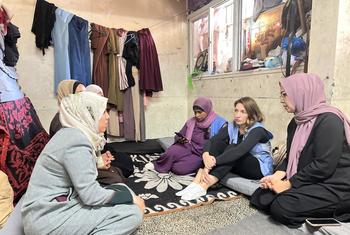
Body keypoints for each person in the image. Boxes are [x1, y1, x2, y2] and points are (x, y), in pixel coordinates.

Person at [22, 92, 144, 235]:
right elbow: (91, 196)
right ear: (89, 115)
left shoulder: (72, 134)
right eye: (103, 111)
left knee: (121, 187)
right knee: (131, 214)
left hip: (54, 205)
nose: (107, 116)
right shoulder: (77, 141)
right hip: (48, 217)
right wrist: (131, 199)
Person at [250, 73, 350, 228]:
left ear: (301, 92)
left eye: (285, 94)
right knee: (261, 197)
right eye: (281, 95)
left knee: (282, 207)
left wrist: (289, 184)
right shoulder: (296, 122)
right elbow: (290, 157)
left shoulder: (329, 120)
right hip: (311, 179)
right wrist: (276, 176)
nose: (282, 100)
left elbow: (324, 165)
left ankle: (342, 208)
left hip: (334, 184)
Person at [178, 97, 273, 201]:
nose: (237, 115)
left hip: (258, 168)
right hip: (238, 163)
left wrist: (212, 162)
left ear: (251, 114)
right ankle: (196, 181)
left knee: (233, 147)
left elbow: (239, 151)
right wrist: (205, 155)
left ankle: (205, 184)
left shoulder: (258, 130)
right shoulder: (233, 126)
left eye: (243, 112)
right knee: (219, 143)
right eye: (236, 110)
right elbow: (212, 141)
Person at [149, 97, 226, 175]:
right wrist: (180, 139)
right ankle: (157, 164)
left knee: (178, 169)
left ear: (207, 110)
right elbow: (180, 134)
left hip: (201, 154)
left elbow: (221, 146)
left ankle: (171, 163)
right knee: (170, 152)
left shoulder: (219, 123)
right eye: (195, 112)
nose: (197, 115)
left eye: (199, 112)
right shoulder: (191, 121)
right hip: (187, 146)